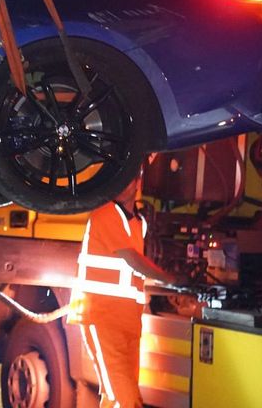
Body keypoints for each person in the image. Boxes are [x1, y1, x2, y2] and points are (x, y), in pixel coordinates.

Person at [71, 172, 175, 408]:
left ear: (138, 183)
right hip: (103, 318)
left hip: (127, 322)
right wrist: (168, 278)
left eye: (126, 178)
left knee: (118, 396)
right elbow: (133, 260)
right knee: (124, 399)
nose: (120, 184)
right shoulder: (106, 213)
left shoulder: (138, 223)